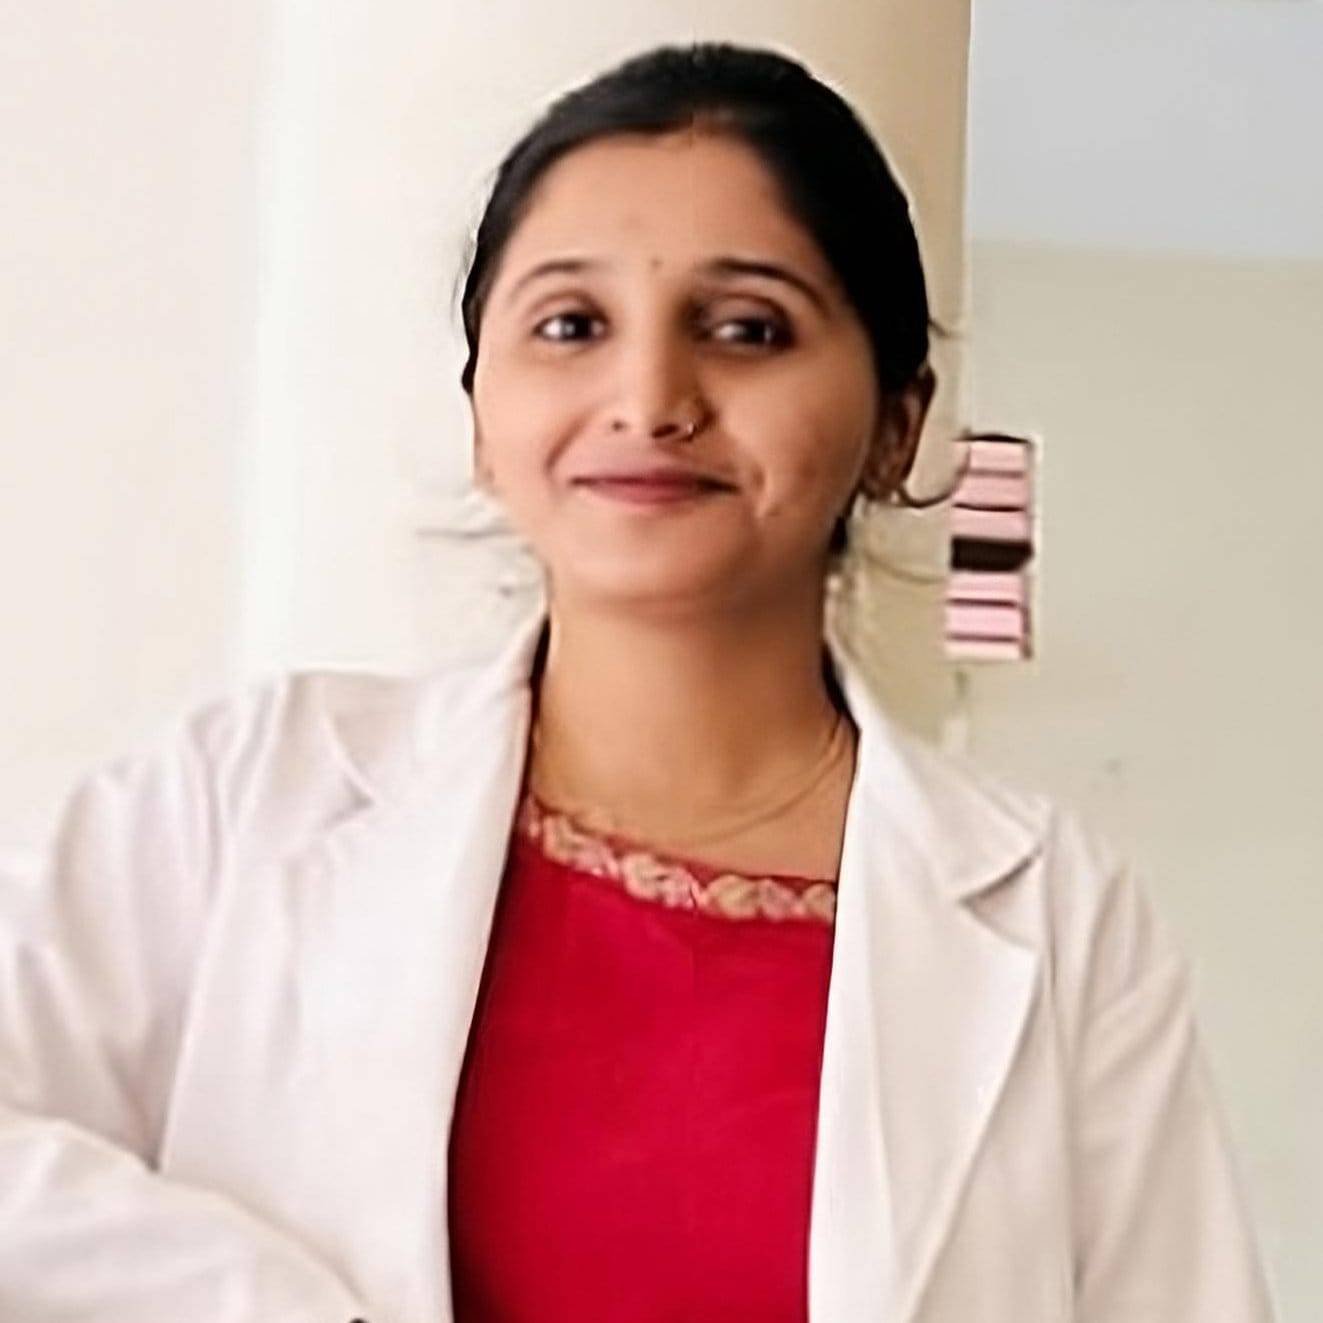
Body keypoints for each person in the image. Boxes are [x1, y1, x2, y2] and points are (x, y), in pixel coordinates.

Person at [0, 40, 1274, 1323]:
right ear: (481, 412)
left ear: (898, 421)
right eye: (570, 326)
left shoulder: (1056, 915)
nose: (650, 396)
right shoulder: (243, 795)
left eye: (746, 329)